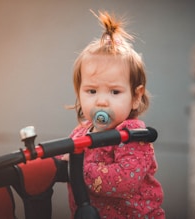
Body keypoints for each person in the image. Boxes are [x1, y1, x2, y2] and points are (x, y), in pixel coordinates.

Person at [64, 11, 165, 218]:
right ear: (79, 93)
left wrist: (76, 168)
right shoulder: (80, 132)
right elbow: (61, 159)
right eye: (91, 91)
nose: (101, 100)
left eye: (115, 92)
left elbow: (124, 181)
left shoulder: (133, 136)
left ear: (136, 97)